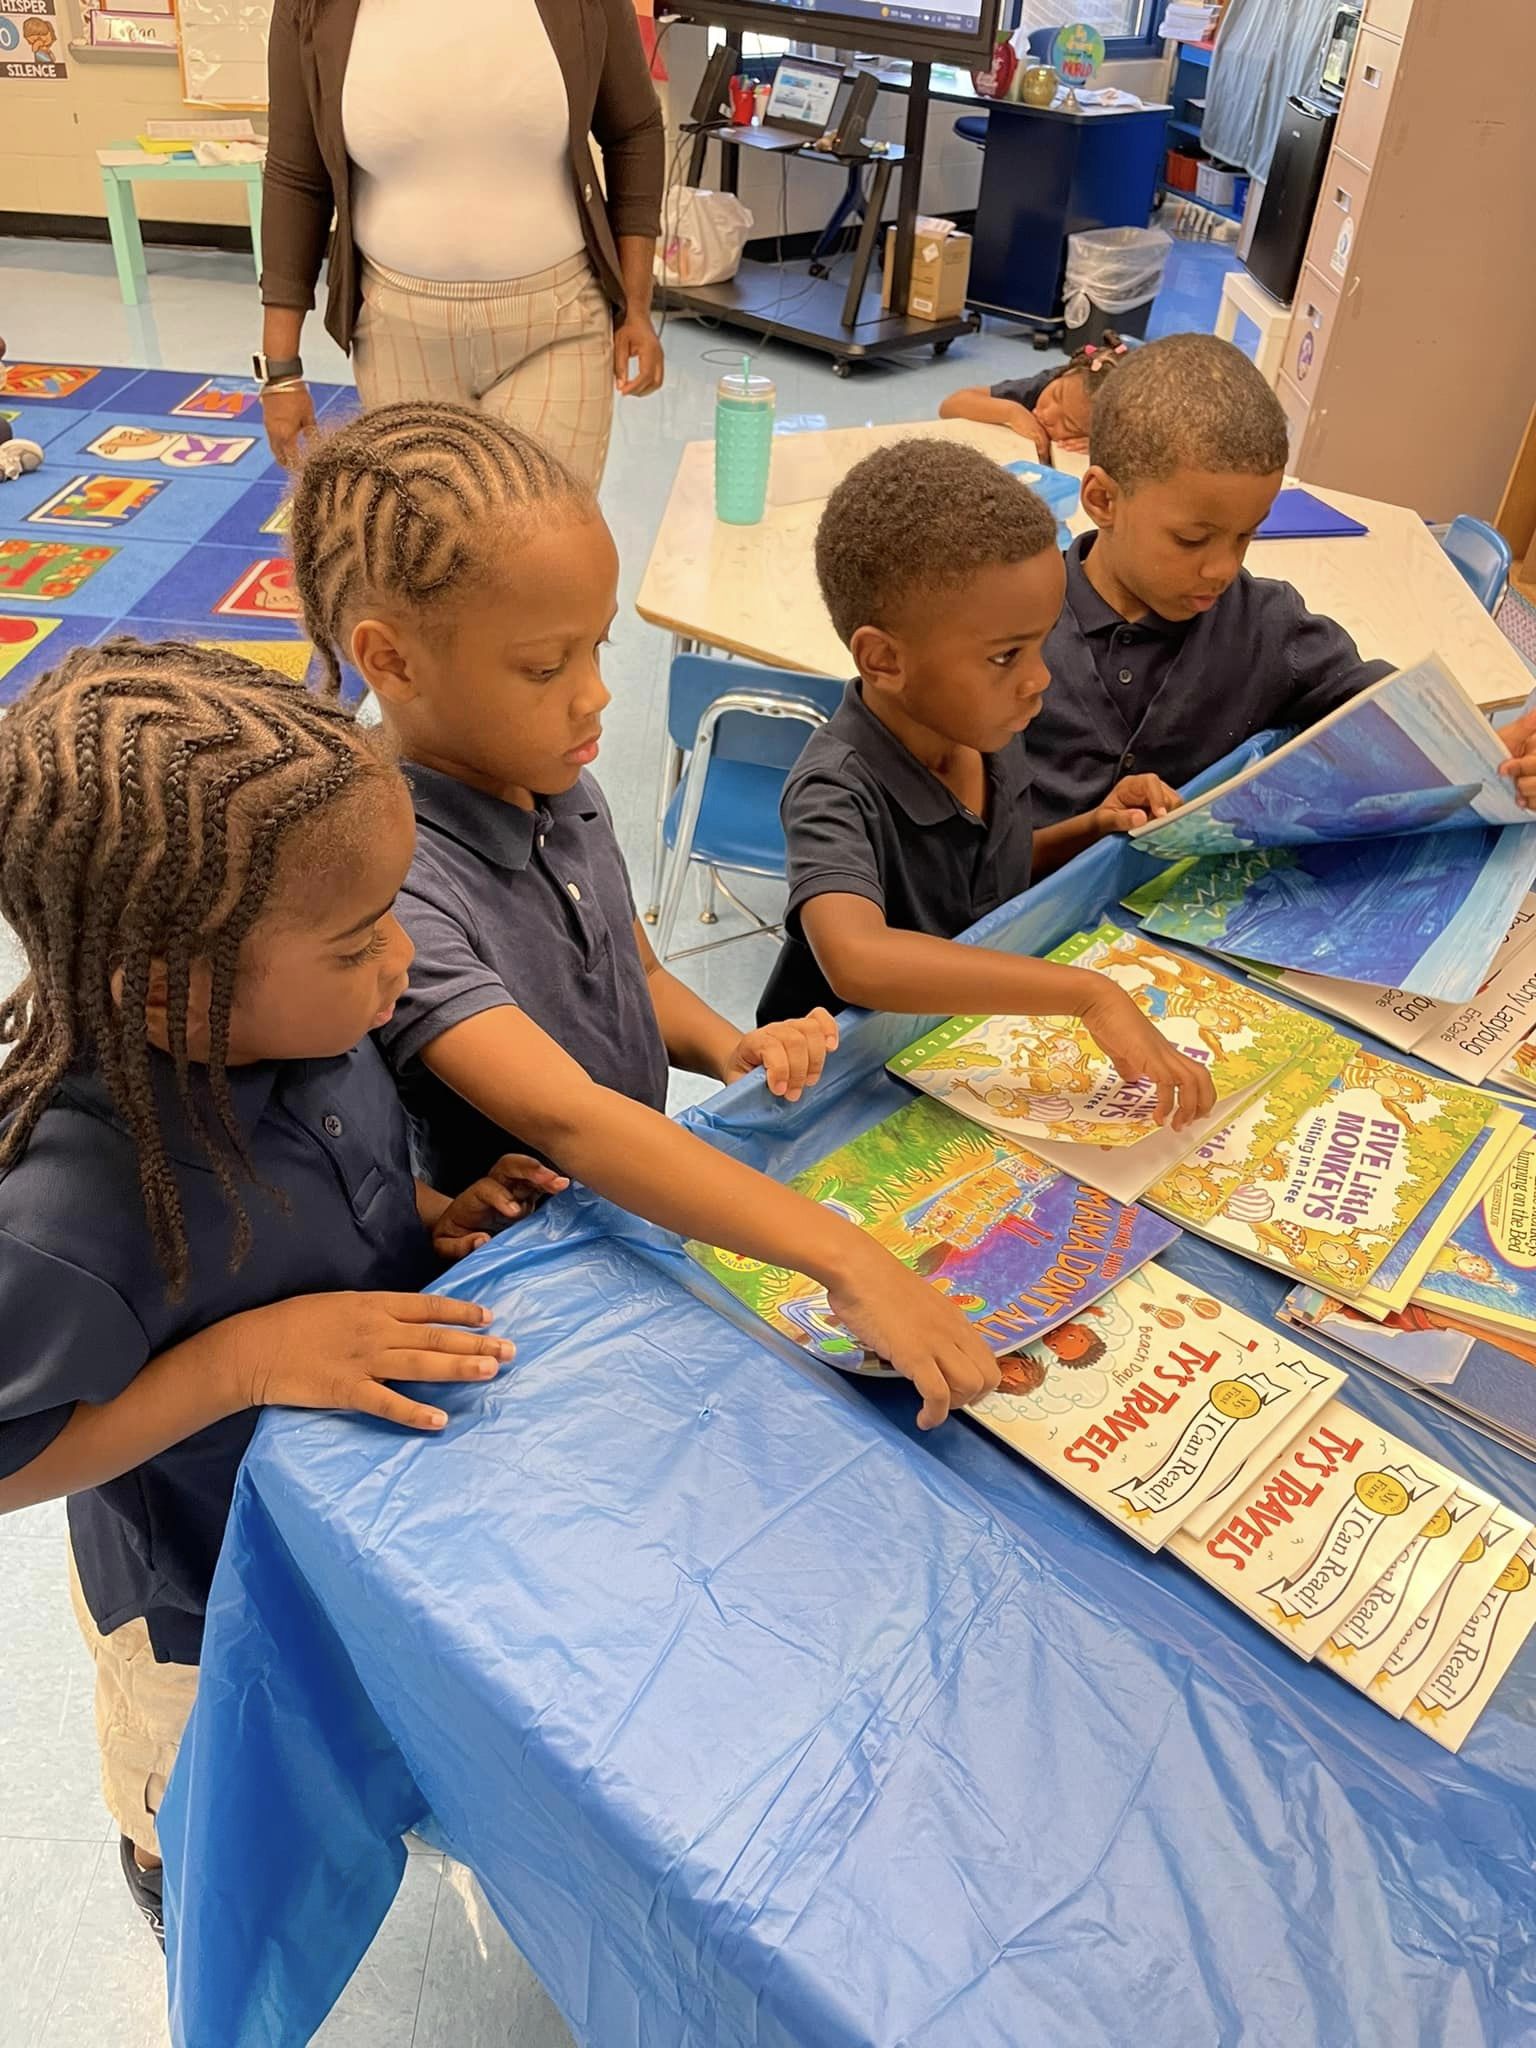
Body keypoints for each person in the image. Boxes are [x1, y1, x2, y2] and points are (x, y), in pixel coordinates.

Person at [0, 641, 564, 1944]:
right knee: (202, 1813)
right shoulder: (70, 1214)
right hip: (196, 1608)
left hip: (338, 1538)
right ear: (177, 997)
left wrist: (431, 1217)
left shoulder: (306, 1025)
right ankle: (166, 1876)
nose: (402, 959)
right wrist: (243, 1363)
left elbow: (345, 1188)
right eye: (361, 937)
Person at [287, 402, 1002, 1430]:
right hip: (527, 1276)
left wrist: (730, 1046)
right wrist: (844, 1253)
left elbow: (639, 974)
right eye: (545, 667)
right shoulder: (393, 876)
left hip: (629, 1209)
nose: (595, 699)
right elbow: (567, 1114)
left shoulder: (552, 773)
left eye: (597, 648)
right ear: (391, 660)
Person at [753, 438, 1213, 1135]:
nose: (1039, 679)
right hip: (839, 1092)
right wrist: (1087, 995)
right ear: (883, 659)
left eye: (1040, 643)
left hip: (955, 1050)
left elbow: (979, 881)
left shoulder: (988, 728)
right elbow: (858, 959)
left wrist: (1086, 828)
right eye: (1005, 656)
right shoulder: (832, 787)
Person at [258, 0, 666, 485]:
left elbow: (634, 131)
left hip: (559, 323)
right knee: (428, 554)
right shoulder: (313, 9)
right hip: (398, 336)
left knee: (544, 551)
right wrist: (280, 373)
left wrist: (636, 306)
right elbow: (296, 176)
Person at [1022, 331, 1396, 829]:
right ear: (1103, 501)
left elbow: (1390, 710)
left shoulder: (1267, 625)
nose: (1222, 569)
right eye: (1192, 539)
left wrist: (1487, 750)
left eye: (1245, 536)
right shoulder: (1014, 626)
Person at [938, 336, 1129, 460]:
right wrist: (1012, 412)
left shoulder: (1117, 428)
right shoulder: (1044, 383)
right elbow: (950, 406)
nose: (1048, 413)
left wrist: (1103, 444)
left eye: (1068, 424)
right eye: (1056, 395)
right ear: (1065, 373)